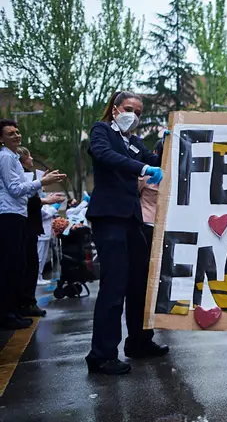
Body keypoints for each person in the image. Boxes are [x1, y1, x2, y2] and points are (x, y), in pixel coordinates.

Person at [85, 91, 167, 375]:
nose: (133, 114)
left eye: (139, 112)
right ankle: (101, 355)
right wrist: (142, 166)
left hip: (131, 219)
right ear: (115, 109)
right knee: (114, 283)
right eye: (129, 108)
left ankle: (140, 341)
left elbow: (154, 158)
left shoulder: (133, 141)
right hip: (110, 216)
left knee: (140, 282)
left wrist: (171, 142)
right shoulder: (102, 131)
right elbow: (104, 155)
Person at [0, 120, 65, 330]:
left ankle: (14, 309)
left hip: (18, 214)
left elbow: (24, 191)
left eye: (17, 132)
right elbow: (16, 189)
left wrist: (40, 186)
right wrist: (41, 183)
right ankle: (7, 313)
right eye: (10, 133)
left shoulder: (13, 158)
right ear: (1, 138)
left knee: (19, 265)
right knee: (11, 267)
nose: (16, 136)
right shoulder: (6, 157)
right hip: (9, 215)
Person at [16, 147, 66, 317]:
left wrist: (41, 184)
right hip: (27, 224)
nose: (31, 159)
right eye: (29, 156)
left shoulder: (28, 176)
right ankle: (25, 303)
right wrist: (46, 199)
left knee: (32, 262)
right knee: (29, 263)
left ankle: (27, 302)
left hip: (32, 224)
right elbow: (26, 199)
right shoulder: (20, 175)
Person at [138, 139, 164, 251]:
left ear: (155, 153)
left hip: (146, 222)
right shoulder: (173, 178)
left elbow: (135, 192)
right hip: (163, 224)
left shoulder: (147, 177)